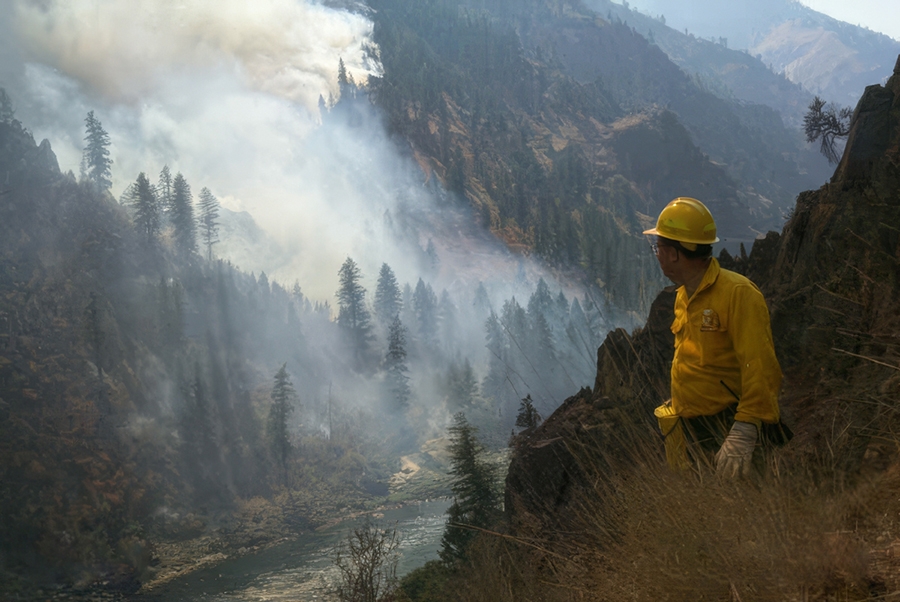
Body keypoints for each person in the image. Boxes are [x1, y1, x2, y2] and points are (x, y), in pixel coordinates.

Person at [643, 197, 783, 477]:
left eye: (658, 247)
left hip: (729, 430)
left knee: (740, 513)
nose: (656, 253)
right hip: (694, 432)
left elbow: (760, 366)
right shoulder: (684, 294)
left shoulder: (738, 294)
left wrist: (745, 429)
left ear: (674, 254)